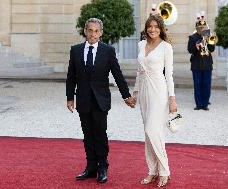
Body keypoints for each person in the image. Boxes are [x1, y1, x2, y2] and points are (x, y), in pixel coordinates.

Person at [66, 18, 135, 183]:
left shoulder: (108, 51)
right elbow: (71, 76)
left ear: (101, 33)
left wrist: (126, 95)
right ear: (85, 31)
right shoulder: (75, 50)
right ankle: (91, 167)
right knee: (87, 134)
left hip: (100, 100)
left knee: (100, 134)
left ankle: (102, 167)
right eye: (90, 30)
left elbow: (117, 74)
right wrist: (70, 97)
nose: (93, 34)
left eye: (96, 31)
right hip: (83, 99)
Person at [132, 15, 177, 187]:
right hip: (144, 91)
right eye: (149, 26)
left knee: (153, 130)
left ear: (161, 28)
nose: (152, 29)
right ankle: (152, 170)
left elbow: (169, 75)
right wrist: (135, 93)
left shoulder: (166, 47)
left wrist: (172, 98)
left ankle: (164, 170)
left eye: (156, 26)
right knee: (148, 133)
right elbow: (139, 71)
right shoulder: (141, 44)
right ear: (146, 28)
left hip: (159, 91)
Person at [187, 13, 215, 111]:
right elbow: (190, 50)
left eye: (203, 27)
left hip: (207, 64)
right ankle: (199, 104)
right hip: (196, 64)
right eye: (200, 27)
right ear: (197, 27)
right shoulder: (192, 37)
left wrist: (207, 39)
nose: (202, 28)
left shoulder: (208, 35)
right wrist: (196, 46)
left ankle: (205, 104)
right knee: (197, 85)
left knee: (207, 85)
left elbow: (212, 49)